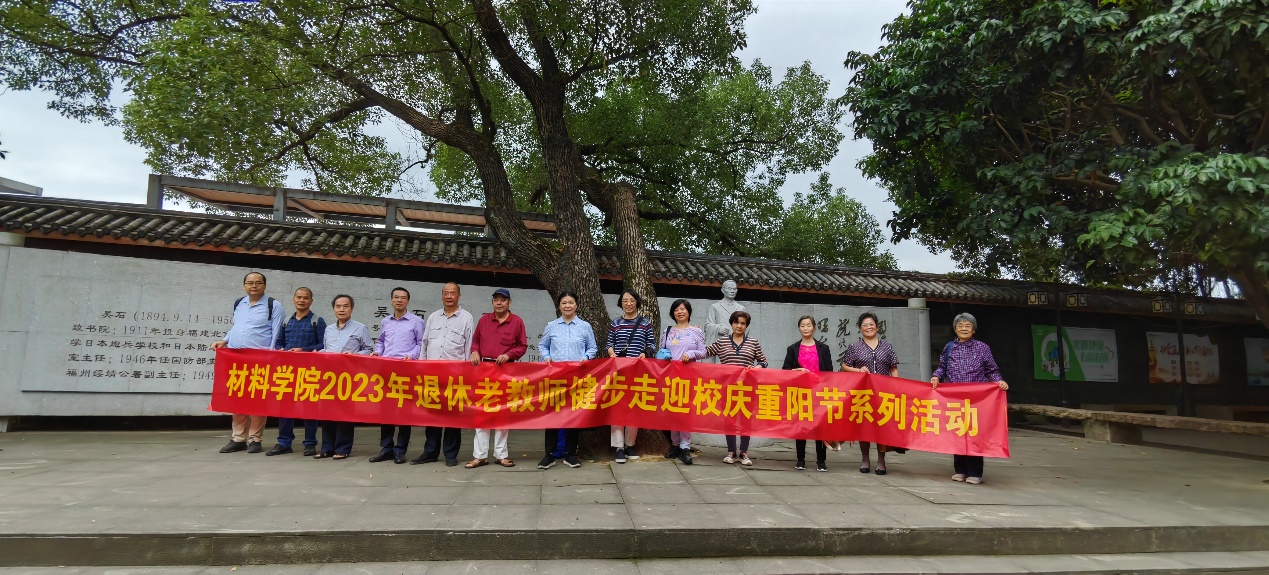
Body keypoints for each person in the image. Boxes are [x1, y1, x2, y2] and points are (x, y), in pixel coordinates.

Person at [930, 312, 1009, 485]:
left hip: (977, 400)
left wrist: (999, 381)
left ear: (974, 330)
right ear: (955, 329)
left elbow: (991, 369)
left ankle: (975, 472)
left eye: (968, 326)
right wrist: (936, 376)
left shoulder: (982, 347)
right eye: (960, 326)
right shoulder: (949, 347)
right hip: (954, 398)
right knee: (957, 432)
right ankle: (960, 470)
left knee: (974, 434)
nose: (964, 329)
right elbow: (942, 367)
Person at [211, 272, 284, 454]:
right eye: (250, 283)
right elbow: (237, 327)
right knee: (237, 398)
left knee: (257, 399)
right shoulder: (239, 303)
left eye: (258, 283)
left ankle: (255, 439)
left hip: (259, 360)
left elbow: (276, 333)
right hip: (236, 359)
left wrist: (271, 357)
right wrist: (225, 340)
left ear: (264, 286)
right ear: (244, 286)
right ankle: (238, 438)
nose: (254, 286)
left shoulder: (273, 305)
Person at [685, 310, 767, 466]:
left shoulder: (753, 342)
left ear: (746, 326)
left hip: (746, 388)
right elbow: (705, 352)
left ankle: (744, 453)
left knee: (745, 420)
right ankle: (731, 452)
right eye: (736, 322)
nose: (739, 326)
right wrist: (694, 343)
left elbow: (763, 361)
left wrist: (757, 367)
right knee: (729, 420)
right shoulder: (722, 341)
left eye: (743, 323)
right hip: (727, 387)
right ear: (731, 324)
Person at [412, 282, 475, 467]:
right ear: (442, 296)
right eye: (446, 293)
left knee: (453, 416)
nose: (449, 296)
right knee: (432, 415)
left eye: (452, 293)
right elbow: (425, 343)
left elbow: (469, 346)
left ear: (458, 296)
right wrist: (421, 368)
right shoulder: (433, 317)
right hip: (432, 375)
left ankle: (450, 454)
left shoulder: (466, 318)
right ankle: (430, 452)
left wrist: (466, 374)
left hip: (455, 376)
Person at [467, 288, 527, 469]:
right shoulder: (484, 320)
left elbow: (522, 346)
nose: (499, 303)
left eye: (503, 300)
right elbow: (475, 340)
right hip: (484, 370)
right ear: (492, 302)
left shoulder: (517, 322)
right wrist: (475, 351)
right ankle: (480, 456)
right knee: (482, 413)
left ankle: (501, 455)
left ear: (509, 303)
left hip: (505, 371)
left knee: (502, 413)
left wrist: (509, 355)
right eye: (496, 300)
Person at [537, 291, 597, 470]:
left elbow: (592, 347)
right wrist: (547, 357)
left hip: (577, 378)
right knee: (552, 414)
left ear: (576, 305)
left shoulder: (585, 326)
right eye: (564, 303)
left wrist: (586, 357)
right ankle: (549, 454)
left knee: (574, 414)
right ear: (559, 306)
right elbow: (543, 346)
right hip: (555, 377)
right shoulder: (552, 326)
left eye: (571, 302)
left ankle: (571, 454)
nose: (567, 306)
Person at [266, 287, 327, 457]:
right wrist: (281, 349)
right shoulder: (287, 321)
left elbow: (323, 345)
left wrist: (303, 350)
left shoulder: (317, 321)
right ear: (293, 299)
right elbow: (279, 342)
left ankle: (310, 443)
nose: (302, 300)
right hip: (287, 371)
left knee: (309, 407)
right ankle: (284, 442)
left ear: (311, 301)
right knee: (285, 407)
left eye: (305, 298)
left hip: (309, 371)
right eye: (299, 297)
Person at [840, 311, 902, 475]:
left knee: (882, 426)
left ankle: (881, 461)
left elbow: (893, 368)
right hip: (863, 393)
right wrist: (858, 370)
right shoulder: (855, 347)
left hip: (883, 393)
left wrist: (896, 386)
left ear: (877, 326)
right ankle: (865, 459)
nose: (868, 327)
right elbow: (844, 366)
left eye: (871, 324)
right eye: (865, 325)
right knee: (864, 426)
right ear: (860, 329)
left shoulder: (887, 346)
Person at [369, 287, 424, 464]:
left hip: (405, 371)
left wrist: (411, 355)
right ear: (391, 300)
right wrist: (377, 352)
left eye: (403, 298)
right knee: (386, 411)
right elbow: (381, 341)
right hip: (386, 371)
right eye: (396, 297)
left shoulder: (416, 321)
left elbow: (421, 344)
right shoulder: (386, 321)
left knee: (403, 411)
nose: (399, 300)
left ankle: (400, 450)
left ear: (408, 301)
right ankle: (386, 448)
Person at [315, 294, 373, 460]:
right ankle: (327, 448)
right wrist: (317, 353)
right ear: (334, 309)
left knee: (344, 413)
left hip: (349, 376)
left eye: (345, 306)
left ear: (351, 309)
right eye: (338, 306)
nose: (341, 309)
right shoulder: (329, 329)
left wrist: (354, 355)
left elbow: (369, 349)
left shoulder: (360, 328)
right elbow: (326, 349)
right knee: (326, 413)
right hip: (329, 376)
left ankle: (342, 448)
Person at [606, 289, 654, 464]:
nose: (628, 303)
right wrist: (612, 353)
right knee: (617, 407)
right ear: (621, 303)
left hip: (637, 371)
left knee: (634, 406)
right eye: (625, 300)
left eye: (632, 300)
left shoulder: (645, 323)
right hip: (618, 371)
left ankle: (630, 445)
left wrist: (645, 353)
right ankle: (618, 447)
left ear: (637, 302)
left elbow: (651, 345)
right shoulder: (615, 323)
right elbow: (609, 343)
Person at [782, 315, 834, 472]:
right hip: (800, 392)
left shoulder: (823, 348)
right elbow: (785, 370)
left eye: (809, 325)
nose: (806, 328)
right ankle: (800, 459)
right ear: (799, 328)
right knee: (801, 426)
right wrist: (797, 370)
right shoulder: (792, 348)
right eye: (803, 325)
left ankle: (821, 461)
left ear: (814, 328)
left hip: (819, 392)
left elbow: (829, 370)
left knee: (820, 426)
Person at [660, 299, 706, 465]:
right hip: (671, 376)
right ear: (673, 313)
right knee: (673, 409)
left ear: (689, 312)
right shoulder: (668, 330)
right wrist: (665, 356)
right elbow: (661, 350)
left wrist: (691, 354)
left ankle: (685, 447)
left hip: (688, 376)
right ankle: (675, 445)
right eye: (676, 309)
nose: (680, 312)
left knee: (685, 411)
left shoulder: (696, 331)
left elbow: (703, 351)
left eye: (683, 309)